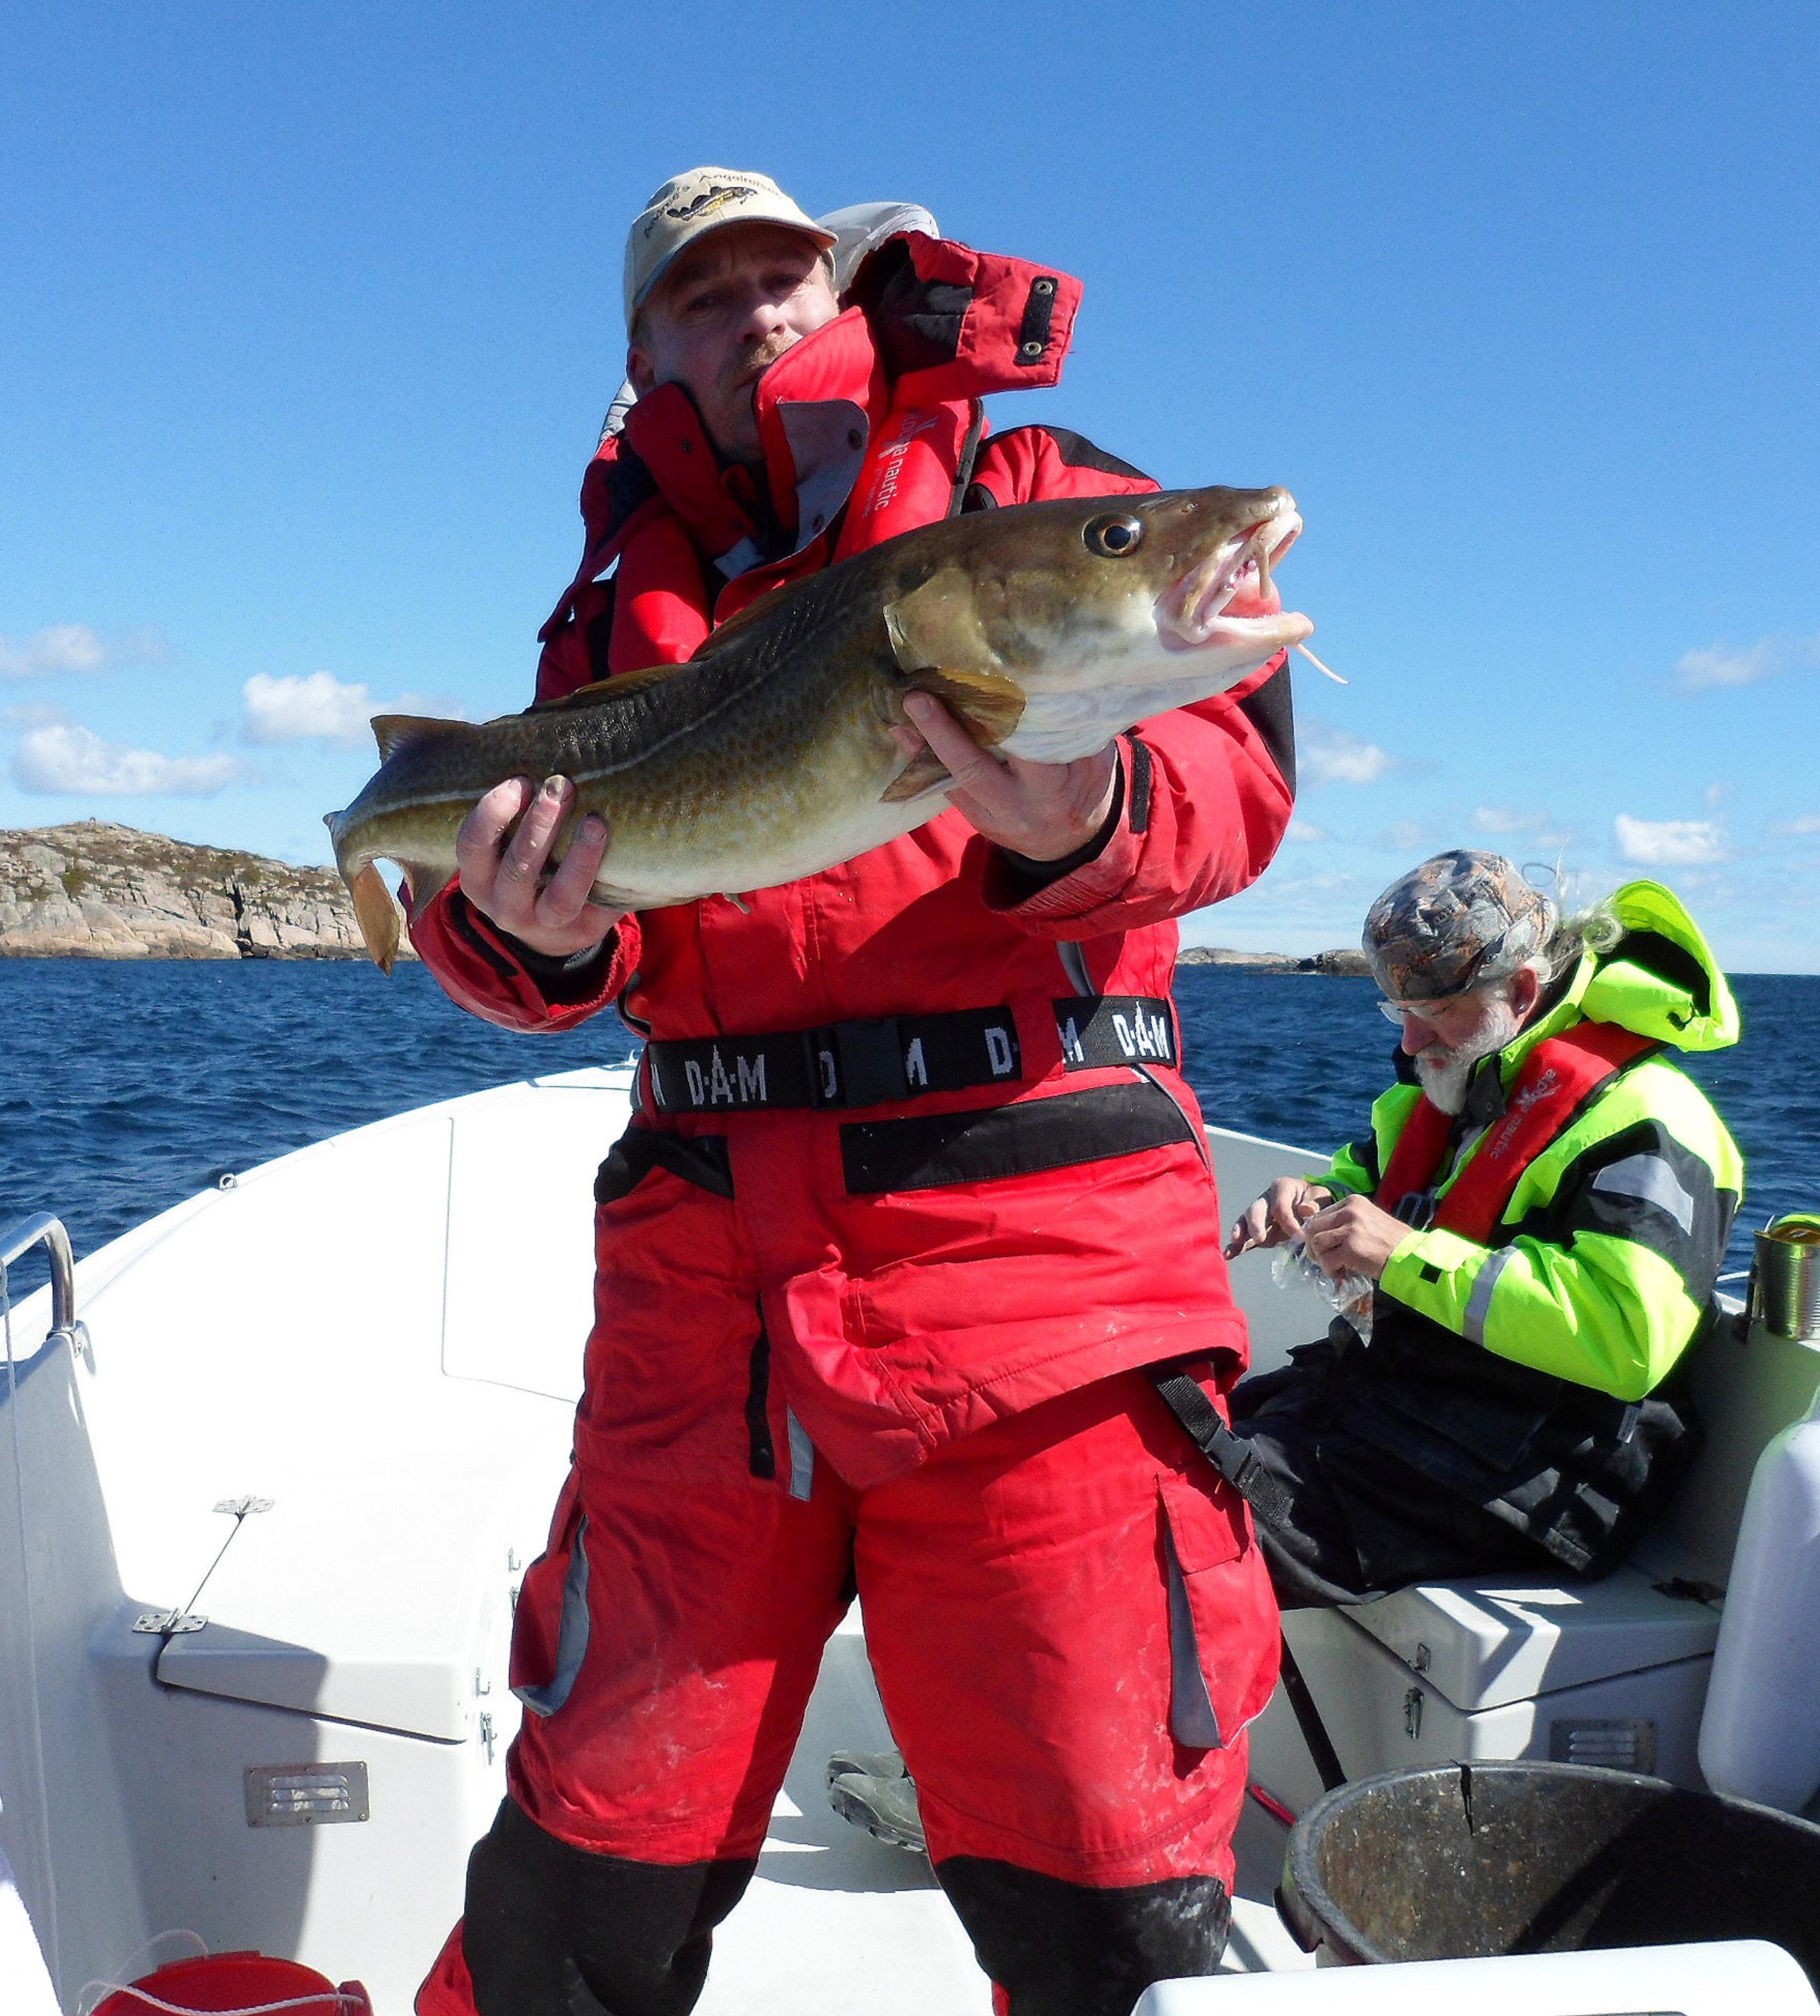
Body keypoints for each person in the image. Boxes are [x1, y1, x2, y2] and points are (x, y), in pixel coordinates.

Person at [404, 169, 1299, 2016]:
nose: (749, 315)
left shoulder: (1041, 503)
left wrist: (1097, 811)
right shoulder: (600, 624)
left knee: (1110, 1892)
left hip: (1033, 1277)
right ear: (643, 352)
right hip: (706, 1311)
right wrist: (537, 944)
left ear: (841, 286)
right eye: (697, 297)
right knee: (584, 1872)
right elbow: (568, 956)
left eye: (779, 278)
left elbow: (1233, 785)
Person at [1222, 852, 1744, 1609]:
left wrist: (1404, 1256)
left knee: (1179, 1530)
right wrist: (1311, 1202)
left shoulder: (1652, 1120)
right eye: (1396, 1014)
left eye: (1432, 1016)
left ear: (1523, 991)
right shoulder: (1449, 1088)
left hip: (1528, 1483)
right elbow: (1367, 1190)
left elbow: (1626, 1336)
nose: (1407, 1044)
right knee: (1126, 1457)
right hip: (1399, 1417)